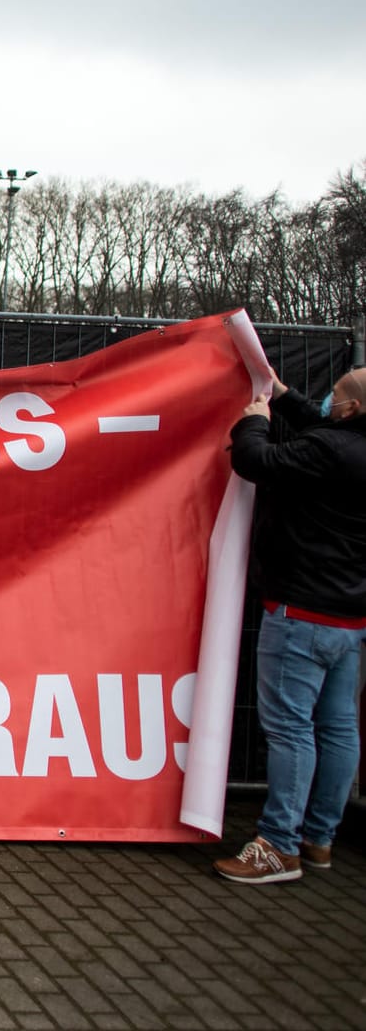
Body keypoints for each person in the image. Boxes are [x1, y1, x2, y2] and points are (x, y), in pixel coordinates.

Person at [214, 369, 366, 883]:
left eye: (337, 394)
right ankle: (319, 837)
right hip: (348, 618)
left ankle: (278, 845)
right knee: (339, 727)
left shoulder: (331, 449)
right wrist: (283, 397)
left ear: (347, 411)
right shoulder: (347, 444)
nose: (326, 400)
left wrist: (253, 422)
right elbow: (325, 429)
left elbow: (257, 462)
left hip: (300, 613)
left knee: (290, 730)